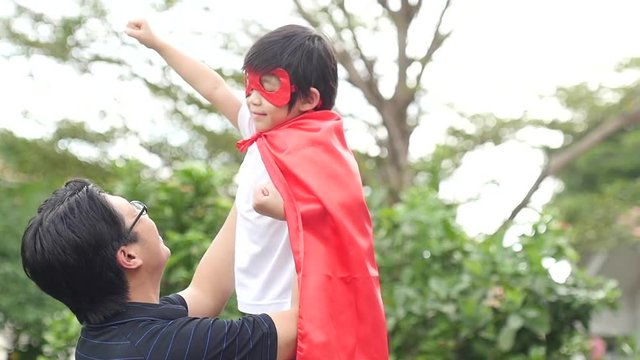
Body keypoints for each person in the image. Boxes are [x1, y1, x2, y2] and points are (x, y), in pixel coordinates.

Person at [126, 20, 388, 359]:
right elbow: (214, 88)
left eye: (269, 87)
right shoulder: (260, 125)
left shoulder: (319, 149)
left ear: (309, 98)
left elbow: (337, 216)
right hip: (260, 304)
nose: (253, 99)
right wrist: (158, 43)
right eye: (250, 86)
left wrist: (283, 209)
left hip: (296, 308)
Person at [20, 178, 297, 360]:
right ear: (129, 255)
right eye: (138, 212)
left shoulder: (112, 333)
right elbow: (301, 323)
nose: (148, 218)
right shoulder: (160, 349)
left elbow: (206, 293)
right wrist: (301, 217)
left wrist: (249, 188)